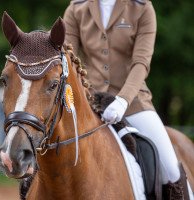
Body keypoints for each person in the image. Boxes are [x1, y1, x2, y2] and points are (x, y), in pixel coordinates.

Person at [63, 0, 193, 199]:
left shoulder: (141, 8)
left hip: (133, 104)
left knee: (170, 168)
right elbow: (66, 57)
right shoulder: (76, 8)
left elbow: (141, 62)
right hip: (90, 102)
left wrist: (122, 100)